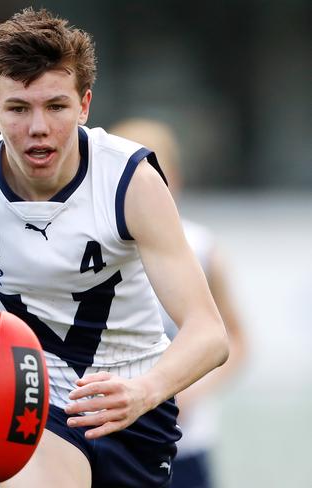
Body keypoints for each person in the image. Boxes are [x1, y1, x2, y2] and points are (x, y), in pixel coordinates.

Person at [0, 8, 229, 488]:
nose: (38, 127)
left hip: (130, 402)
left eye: (56, 106)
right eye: (17, 108)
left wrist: (144, 390)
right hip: (28, 394)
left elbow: (209, 333)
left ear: (84, 105)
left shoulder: (129, 183)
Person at [109, 118, 247, 488]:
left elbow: (234, 338)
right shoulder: (96, 250)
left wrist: (190, 389)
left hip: (184, 444)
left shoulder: (201, 248)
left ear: (175, 181)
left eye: (155, 176)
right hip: (112, 444)